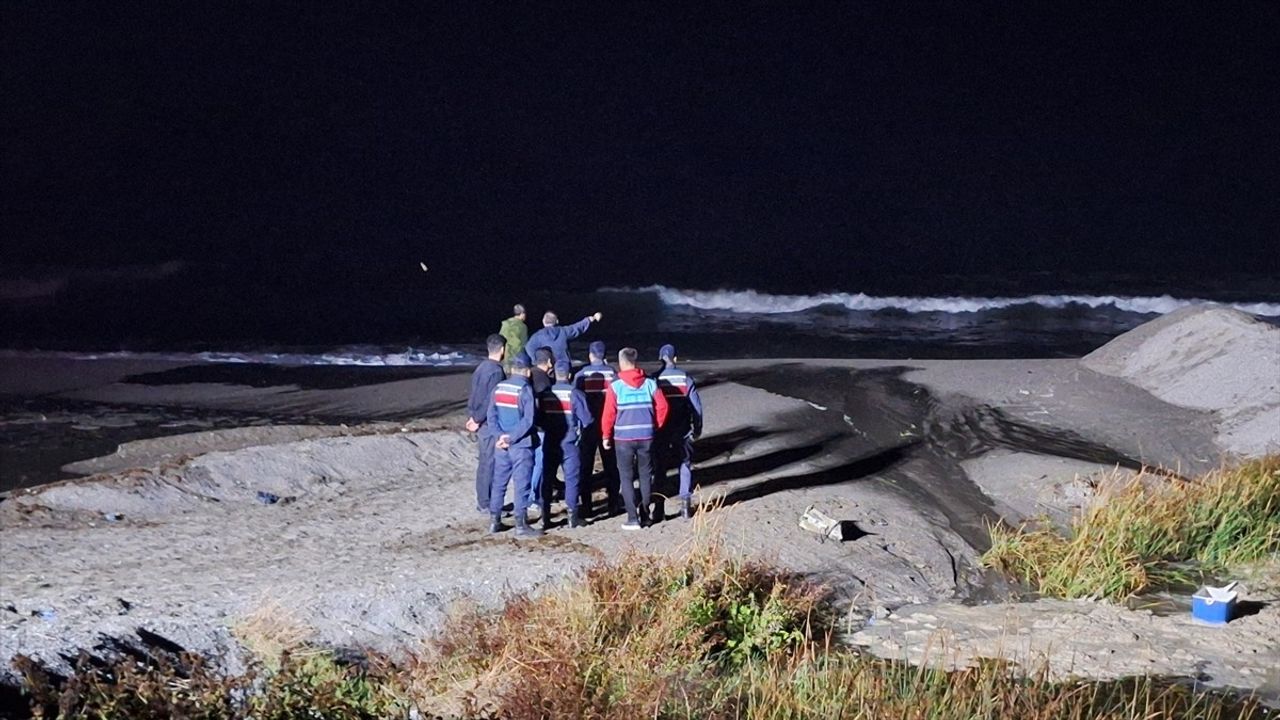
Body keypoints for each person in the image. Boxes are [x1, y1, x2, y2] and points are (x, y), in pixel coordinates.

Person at [601, 347, 669, 530]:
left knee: (626, 477)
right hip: (646, 436)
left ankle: (632, 518)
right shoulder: (650, 384)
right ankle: (646, 515)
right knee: (646, 475)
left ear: (622, 363)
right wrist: (655, 425)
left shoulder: (615, 387)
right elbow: (663, 407)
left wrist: (606, 435)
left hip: (623, 437)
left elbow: (608, 414)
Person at [486, 355, 541, 538]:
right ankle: (520, 523)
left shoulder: (499, 388)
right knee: (521, 484)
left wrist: (499, 436)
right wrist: (511, 438)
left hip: (500, 444)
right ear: (526, 371)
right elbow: (528, 420)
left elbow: (491, 416)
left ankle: (495, 521)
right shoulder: (525, 389)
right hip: (521, 445)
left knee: (499, 483)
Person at [539, 360, 594, 528]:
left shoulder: (545, 394)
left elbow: (539, 418)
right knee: (571, 479)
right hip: (570, 443)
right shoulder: (575, 394)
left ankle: (545, 516)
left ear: (554, 374)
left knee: (547, 479)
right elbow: (587, 420)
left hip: (550, 441)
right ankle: (572, 516)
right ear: (569, 375)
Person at [654, 344, 704, 520]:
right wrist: (697, 428)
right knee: (684, 464)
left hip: (661, 430)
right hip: (682, 429)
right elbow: (696, 407)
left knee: (660, 468)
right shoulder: (685, 379)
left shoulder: (655, 379)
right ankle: (685, 506)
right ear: (675, 359)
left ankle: (659, 508)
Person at [574, 341, 620, 516]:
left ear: (590, 355)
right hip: (609, 426)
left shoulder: (581, 375)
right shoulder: (613, 375)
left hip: (588, 426)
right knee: (610, 465)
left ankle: (586, 506)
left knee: (585, 466)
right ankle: (613, 502)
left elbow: (575, 401)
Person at [465, 334, 506, 512]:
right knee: (489, 463)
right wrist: (477, 418)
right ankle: (486, 503)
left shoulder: (481, 367)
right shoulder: (496, 371)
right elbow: (491, 399)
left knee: (485, 462)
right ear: (502, 350)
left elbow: (474, 394)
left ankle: (484, 501)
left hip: (479, 420)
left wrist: (472, 415)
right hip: (488, 422)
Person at [525, 348, 555, 518]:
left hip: (529, 426)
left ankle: (531, 494)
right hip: (541, 428)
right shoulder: (543, 381)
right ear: (549, 362)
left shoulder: (530, 376)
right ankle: (532, 497)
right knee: (539, 462)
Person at [524, 310, 603, 364]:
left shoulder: (537, 336)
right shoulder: (563, 331)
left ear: (543, 321)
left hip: (546, 366)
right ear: (557, 321)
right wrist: (590, 319)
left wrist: (536, 360)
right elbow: (577, 328)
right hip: (564, 365)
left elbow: (529, 348)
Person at [498, 304, 528, 372]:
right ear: (522, 314)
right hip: (516, 356)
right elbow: (524, 343)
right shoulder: (522, 326)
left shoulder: (505, 324)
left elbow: (500, 338)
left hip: (504, 354)